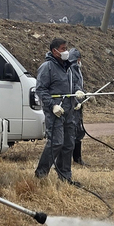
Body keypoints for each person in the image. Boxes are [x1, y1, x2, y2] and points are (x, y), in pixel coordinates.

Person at [34, 38, 78, 182]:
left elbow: (75, 84)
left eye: (67, 48)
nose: (66, 51)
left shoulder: (69, 67)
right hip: (55, 112)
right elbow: (40, 89)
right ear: (55, 51)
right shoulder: (47, 67)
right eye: (63, 49)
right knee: (56, 143)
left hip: (69, 111)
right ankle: (41, 174)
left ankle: (65, 177)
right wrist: (52, 105)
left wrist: (78, 93)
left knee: (68, 144)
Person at [67, 47, 86, 165]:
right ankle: (68, 160)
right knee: (72, 132)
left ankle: (77, 159)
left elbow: (79, 86)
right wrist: (78, 95)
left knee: (78, 131)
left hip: (77, 105)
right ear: (77, 59)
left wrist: (86, 94)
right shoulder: (71, 70)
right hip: (71, 106)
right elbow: (73, 86)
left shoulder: (77, 70)